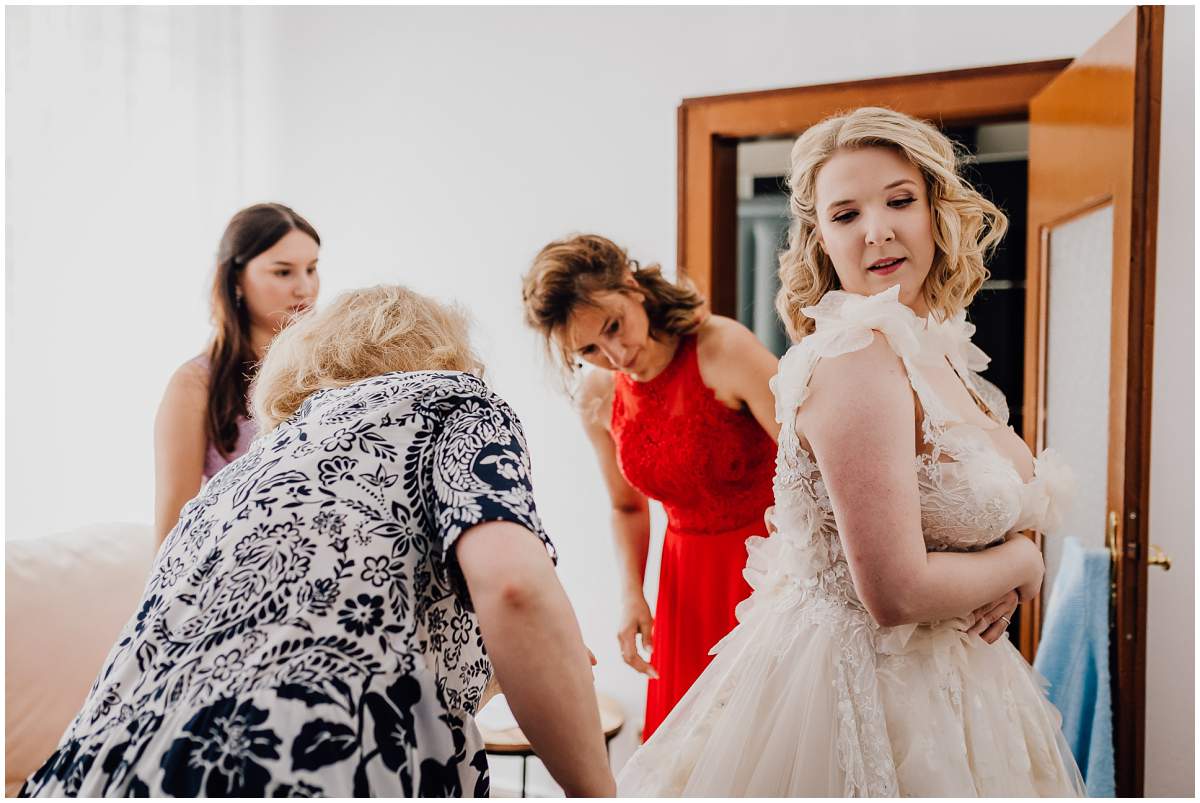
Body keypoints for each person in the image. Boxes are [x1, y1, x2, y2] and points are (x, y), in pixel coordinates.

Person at [617, 107, 1084, 796]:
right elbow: (895, 592)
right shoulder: (857, 355)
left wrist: (1016, 556)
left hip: (962, 687)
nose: (878, 230)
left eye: (900, 200)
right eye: (845, 214)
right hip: (870, 694)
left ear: (936, 212)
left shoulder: (935, 348)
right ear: (822, 241)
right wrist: (1021, 562)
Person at [22, 285, 615, 797]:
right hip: (294, 765)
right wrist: (599, 792)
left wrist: (507, 664)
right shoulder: (452, 403)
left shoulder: (235, 479)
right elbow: (514, 587)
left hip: (89, 774)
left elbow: (385, 661)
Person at [521, 234, 779, 740]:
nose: (615, 355)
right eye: (589, 349)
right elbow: (626, 507)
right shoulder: (598, 393)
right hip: (684, 583)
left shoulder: (723, 348)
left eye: (614, 327)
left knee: (761, 740)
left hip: (769, 567)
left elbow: (816, 468)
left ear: (633, 286)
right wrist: (631, 595)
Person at [154, 203, 321, 546]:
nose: (305, 288)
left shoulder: (330, 368)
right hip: (240, 568)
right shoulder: (195, 384)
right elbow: (173, 527)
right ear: (237, 280)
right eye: (283, 272)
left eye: (312, 268)